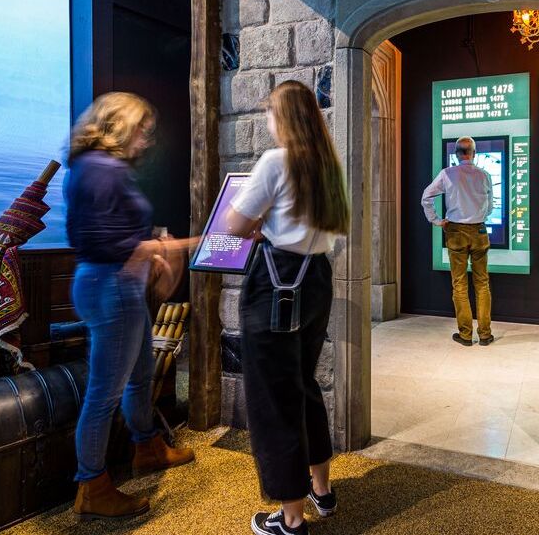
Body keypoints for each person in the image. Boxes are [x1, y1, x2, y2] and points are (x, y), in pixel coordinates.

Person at [225, 81, 350, 535]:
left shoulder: (277, 162)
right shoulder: (328, 165)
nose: (268, 123)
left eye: (271, 114)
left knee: (273, 396)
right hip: (315, 279)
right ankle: (321, 489)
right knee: (302, 383)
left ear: (286, 118)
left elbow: (236, 223)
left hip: (276, 280)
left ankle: (291, 517)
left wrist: (259, 226)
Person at [65, 92, 196, 521]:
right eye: (143, 130)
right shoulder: (103, 170)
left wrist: (153, 247)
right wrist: (176, 245)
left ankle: (147, 447)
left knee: (140, 375)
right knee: (104, 393)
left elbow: (111, 235)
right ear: (121, 125)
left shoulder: (91, 167)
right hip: (112, 288)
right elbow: (108, 244)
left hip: (111, 285)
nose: (146, 140)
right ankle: (92, 486)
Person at [421, 136, 495, 346]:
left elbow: (426, 196)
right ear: (474, 153)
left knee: (460, 284)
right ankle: (485, 334)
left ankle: (465, 335)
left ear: (456, 154)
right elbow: (490, 205)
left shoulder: (448, 173)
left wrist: (435, 220)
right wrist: (482, 216)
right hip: (479, 230)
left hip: (456, 232)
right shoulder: (484, 175)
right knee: (482, 283)